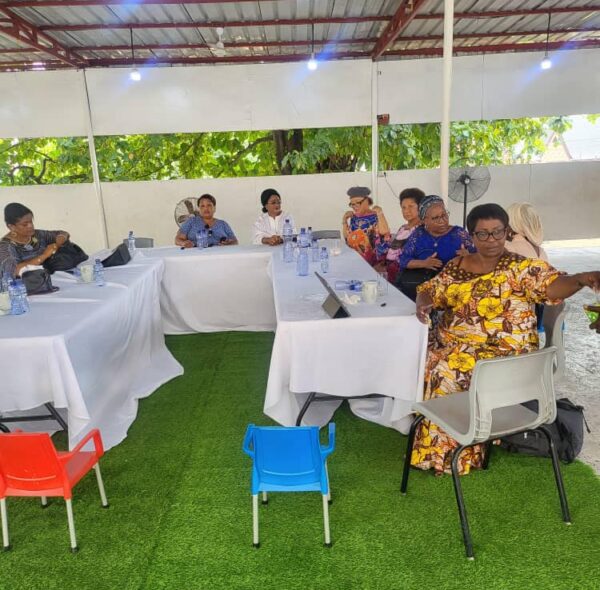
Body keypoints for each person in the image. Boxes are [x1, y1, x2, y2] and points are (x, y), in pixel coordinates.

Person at [413, 203, 600, 476]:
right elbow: (429, 289)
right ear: (471, 236)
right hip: (453, 341)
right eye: (483, 234)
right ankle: (437, 432)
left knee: (448, 366)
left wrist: (582, 279)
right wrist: (423, 302)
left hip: (500, 354)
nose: (491, 240)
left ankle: (459, 450)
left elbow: (554, 284)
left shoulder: (521, 268)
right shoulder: (457, 266)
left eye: (497, 233)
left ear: (506, 232)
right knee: (422, 354)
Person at [396, 195, 474, 301]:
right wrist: (424, 263)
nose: (442, 220)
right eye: (435, 218)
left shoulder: (459, 233)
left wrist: (468, 255)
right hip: (420, 291)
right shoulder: (419, 234)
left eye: (444, 215)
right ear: (424, 221)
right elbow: (403, 260)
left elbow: (479, 254)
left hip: (451, 292)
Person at [0, 202, 69, 278]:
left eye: (31, 221)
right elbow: (15, 270)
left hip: (48, 278)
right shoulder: (5, 246)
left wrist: (57, 244)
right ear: (11, 227)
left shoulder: (36, 235)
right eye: (25, 224)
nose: (31, 226)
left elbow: (63, 233)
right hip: (25, 285)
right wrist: (44, 255)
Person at [342, 186, 391, 268]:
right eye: (352, 204)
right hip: (358, 259)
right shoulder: (354, 217)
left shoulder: (376, 214)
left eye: (357, 202)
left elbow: (384, 232)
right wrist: (344, 220)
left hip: (377, 262)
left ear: (367, 201)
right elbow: (348, 237)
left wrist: (380, 213)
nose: (354, 206)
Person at [386, 188, 425, 284]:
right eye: (403, 207)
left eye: (411, 206)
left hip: (406, 279)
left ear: (420, 207)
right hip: (391, 276)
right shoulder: (403, 228)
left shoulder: (422, 230)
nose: (406, 211)